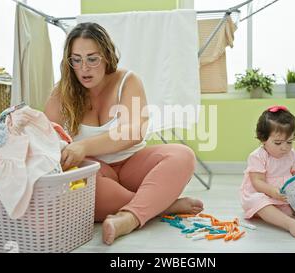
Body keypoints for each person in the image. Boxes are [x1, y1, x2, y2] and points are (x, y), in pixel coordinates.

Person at [44, 22, 203, 245]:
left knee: (182, 155)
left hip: (133, 164)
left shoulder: (127, 81)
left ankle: (128, 219)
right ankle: (161, 205)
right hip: (97, 173)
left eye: (92, 58)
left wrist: (84, 146)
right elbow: (45, 138)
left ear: (106, 56)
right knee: (80, 190)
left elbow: (133, 132)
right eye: (76, 60)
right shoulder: (62, 92)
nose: (84, 68)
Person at [240, 105, 295, 238]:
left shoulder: (292, 154)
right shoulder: (258, 156)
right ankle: (288, 223)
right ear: (263, 139)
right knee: (260, 203)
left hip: (284, 196)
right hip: (262, 194)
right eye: (278, 143)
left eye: (289, 142)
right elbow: (257, 181)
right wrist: (272, 191)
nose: (284, 148)